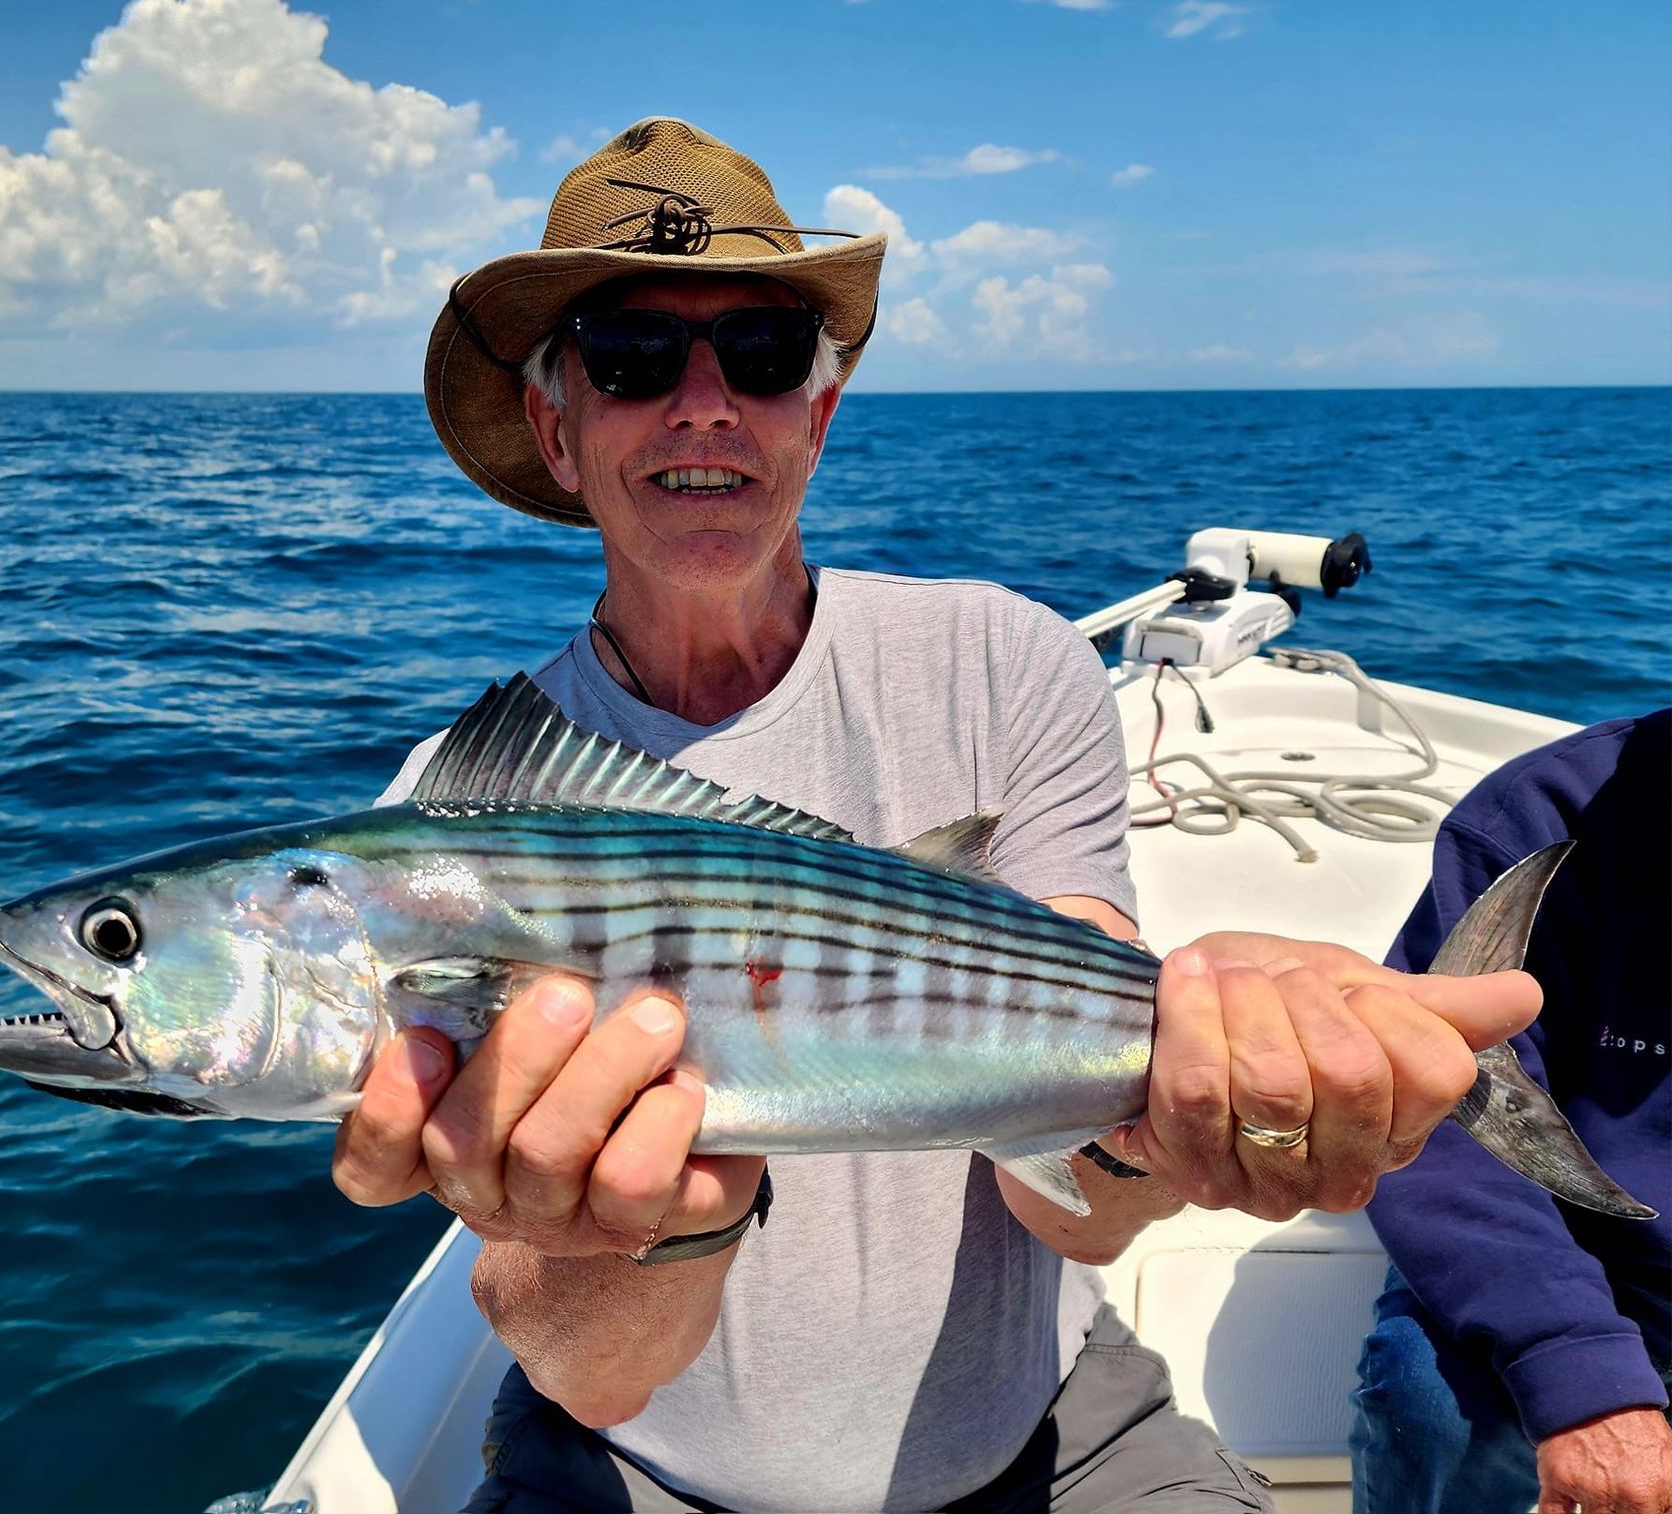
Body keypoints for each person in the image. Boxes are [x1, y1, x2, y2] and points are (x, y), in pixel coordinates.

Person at [329, 118, 1542, 1512]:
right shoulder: (458, 811)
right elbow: (592, 1374)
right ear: (556, 426)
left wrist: (1167, 1115)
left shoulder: (1005, 661)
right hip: (639, 1471)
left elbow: (1065, 1203)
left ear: (819, 411)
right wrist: (654, 1229)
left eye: (766, 355)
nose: (705, 403)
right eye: (632, 356)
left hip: (1054, 1438)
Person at [1351, 710, 1671, 1514]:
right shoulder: (1535, 822)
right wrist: (1579, 1369)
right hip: (1590, 1263)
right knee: (1435, 1406)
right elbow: (1438, 1119)